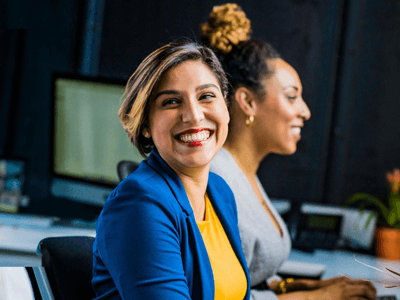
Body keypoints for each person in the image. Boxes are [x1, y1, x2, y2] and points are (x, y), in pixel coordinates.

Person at [202, 3, 377, 300]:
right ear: (247, 101)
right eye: (291, 97)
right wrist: (314, 298)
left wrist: (302, 286)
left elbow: (249, 274)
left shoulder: (244, 175)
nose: (305, 112)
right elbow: (220, 294)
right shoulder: (217, 180)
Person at [91, 41, 251, 299]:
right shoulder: (139, 203)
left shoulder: (220, 192)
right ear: (145, 125)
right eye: (172, 102)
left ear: (226, 106)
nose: (194, 115)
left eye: (206, 96)